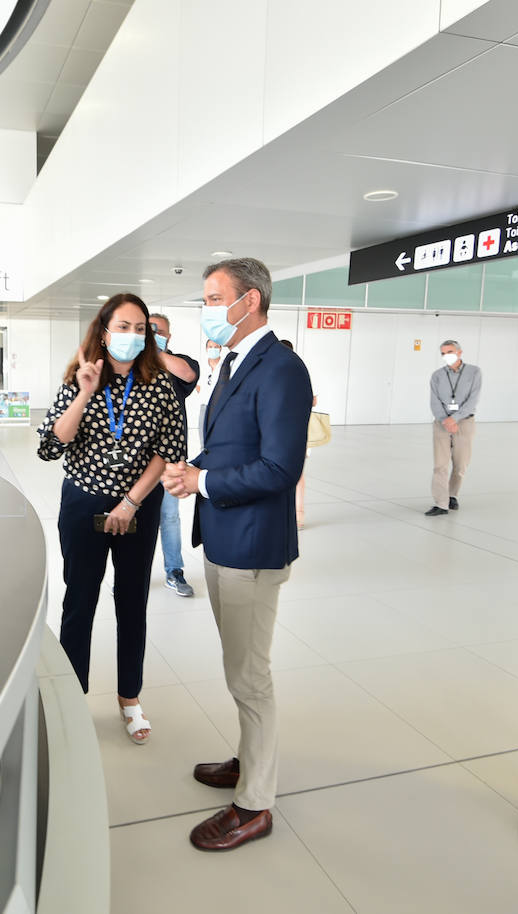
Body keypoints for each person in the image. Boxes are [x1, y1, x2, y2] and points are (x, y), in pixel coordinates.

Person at [163, 257, 312, 851]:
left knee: (250, 676)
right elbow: (227, 447)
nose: (206, 309)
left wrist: (203, 485)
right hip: (224, 537)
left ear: (249, 301)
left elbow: (280, 467)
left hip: (252, 543)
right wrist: (193, 469)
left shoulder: (281, 369)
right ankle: (249, 758)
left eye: (212, 297)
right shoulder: (233, 364)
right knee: (237, 667)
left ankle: (256, 804)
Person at [36, 293, 187, 744]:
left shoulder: (160, 385)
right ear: (103, 332)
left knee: (132, 602)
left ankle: (129, 697)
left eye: (141, 328)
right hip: (83, 505)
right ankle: (71, 695)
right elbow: (51, 445)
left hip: (137, 508)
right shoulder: (80, 378)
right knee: (79, 602)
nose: (133, 336)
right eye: (123, 327)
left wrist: (130, 503)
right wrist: (83, 392)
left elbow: (168, 452)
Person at [148, 312, 199, 598]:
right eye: (150, 329)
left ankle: (174, 571)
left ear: (169, 337)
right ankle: (130, 574)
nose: (155, 334)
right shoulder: (130, 365)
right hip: (135, 462)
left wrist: (153, 351)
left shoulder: (180, 363)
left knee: (169, 517)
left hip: (170, 459)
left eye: (160, 331)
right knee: (134, 518)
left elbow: (189, 374)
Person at [425, 340, 481, 516]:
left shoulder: (474, 372)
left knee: (460, 464)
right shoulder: (437, 376)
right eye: (443, 353)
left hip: (465, 422)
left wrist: (455, 419)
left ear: (459, 352)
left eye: (449, 351)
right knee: (440, 465)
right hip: (441, 424)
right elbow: (434, 402)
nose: (446, 355)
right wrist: (445, 420)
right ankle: (441, 503)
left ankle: (452, 495)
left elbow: (473, 399)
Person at [277, 339, 318, 529]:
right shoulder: (283, 373)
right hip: (287, 431)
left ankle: (298, 515)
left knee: (296, 474)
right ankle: (295, 514)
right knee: (294, 473)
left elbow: (311, 400)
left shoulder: (297, 372)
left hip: (294, 431)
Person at [196, 340, 224, 431]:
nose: (213, 349)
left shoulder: (226, 365)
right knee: (203, 436)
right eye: (210, 347)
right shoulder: (201, 365)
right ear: (206, 349)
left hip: (221, 406)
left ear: (220, 348)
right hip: (205, 405)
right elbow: (197, 385)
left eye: (216, 347)